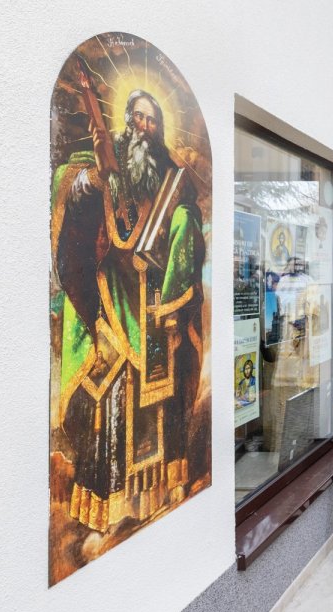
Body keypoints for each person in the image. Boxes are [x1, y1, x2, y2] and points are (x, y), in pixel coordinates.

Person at [52, 89, 206, 531]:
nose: (144, 126)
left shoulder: (168, 173)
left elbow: (187, 218)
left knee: (163, 393)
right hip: (111, 295)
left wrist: (180, 232)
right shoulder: (105, 156)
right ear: (125, 119)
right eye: (138, 117)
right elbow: (68, 182)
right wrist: (92, 181)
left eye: (152, 120)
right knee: (117, 393)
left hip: (156, 298)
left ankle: (161, 486)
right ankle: (112, 505)